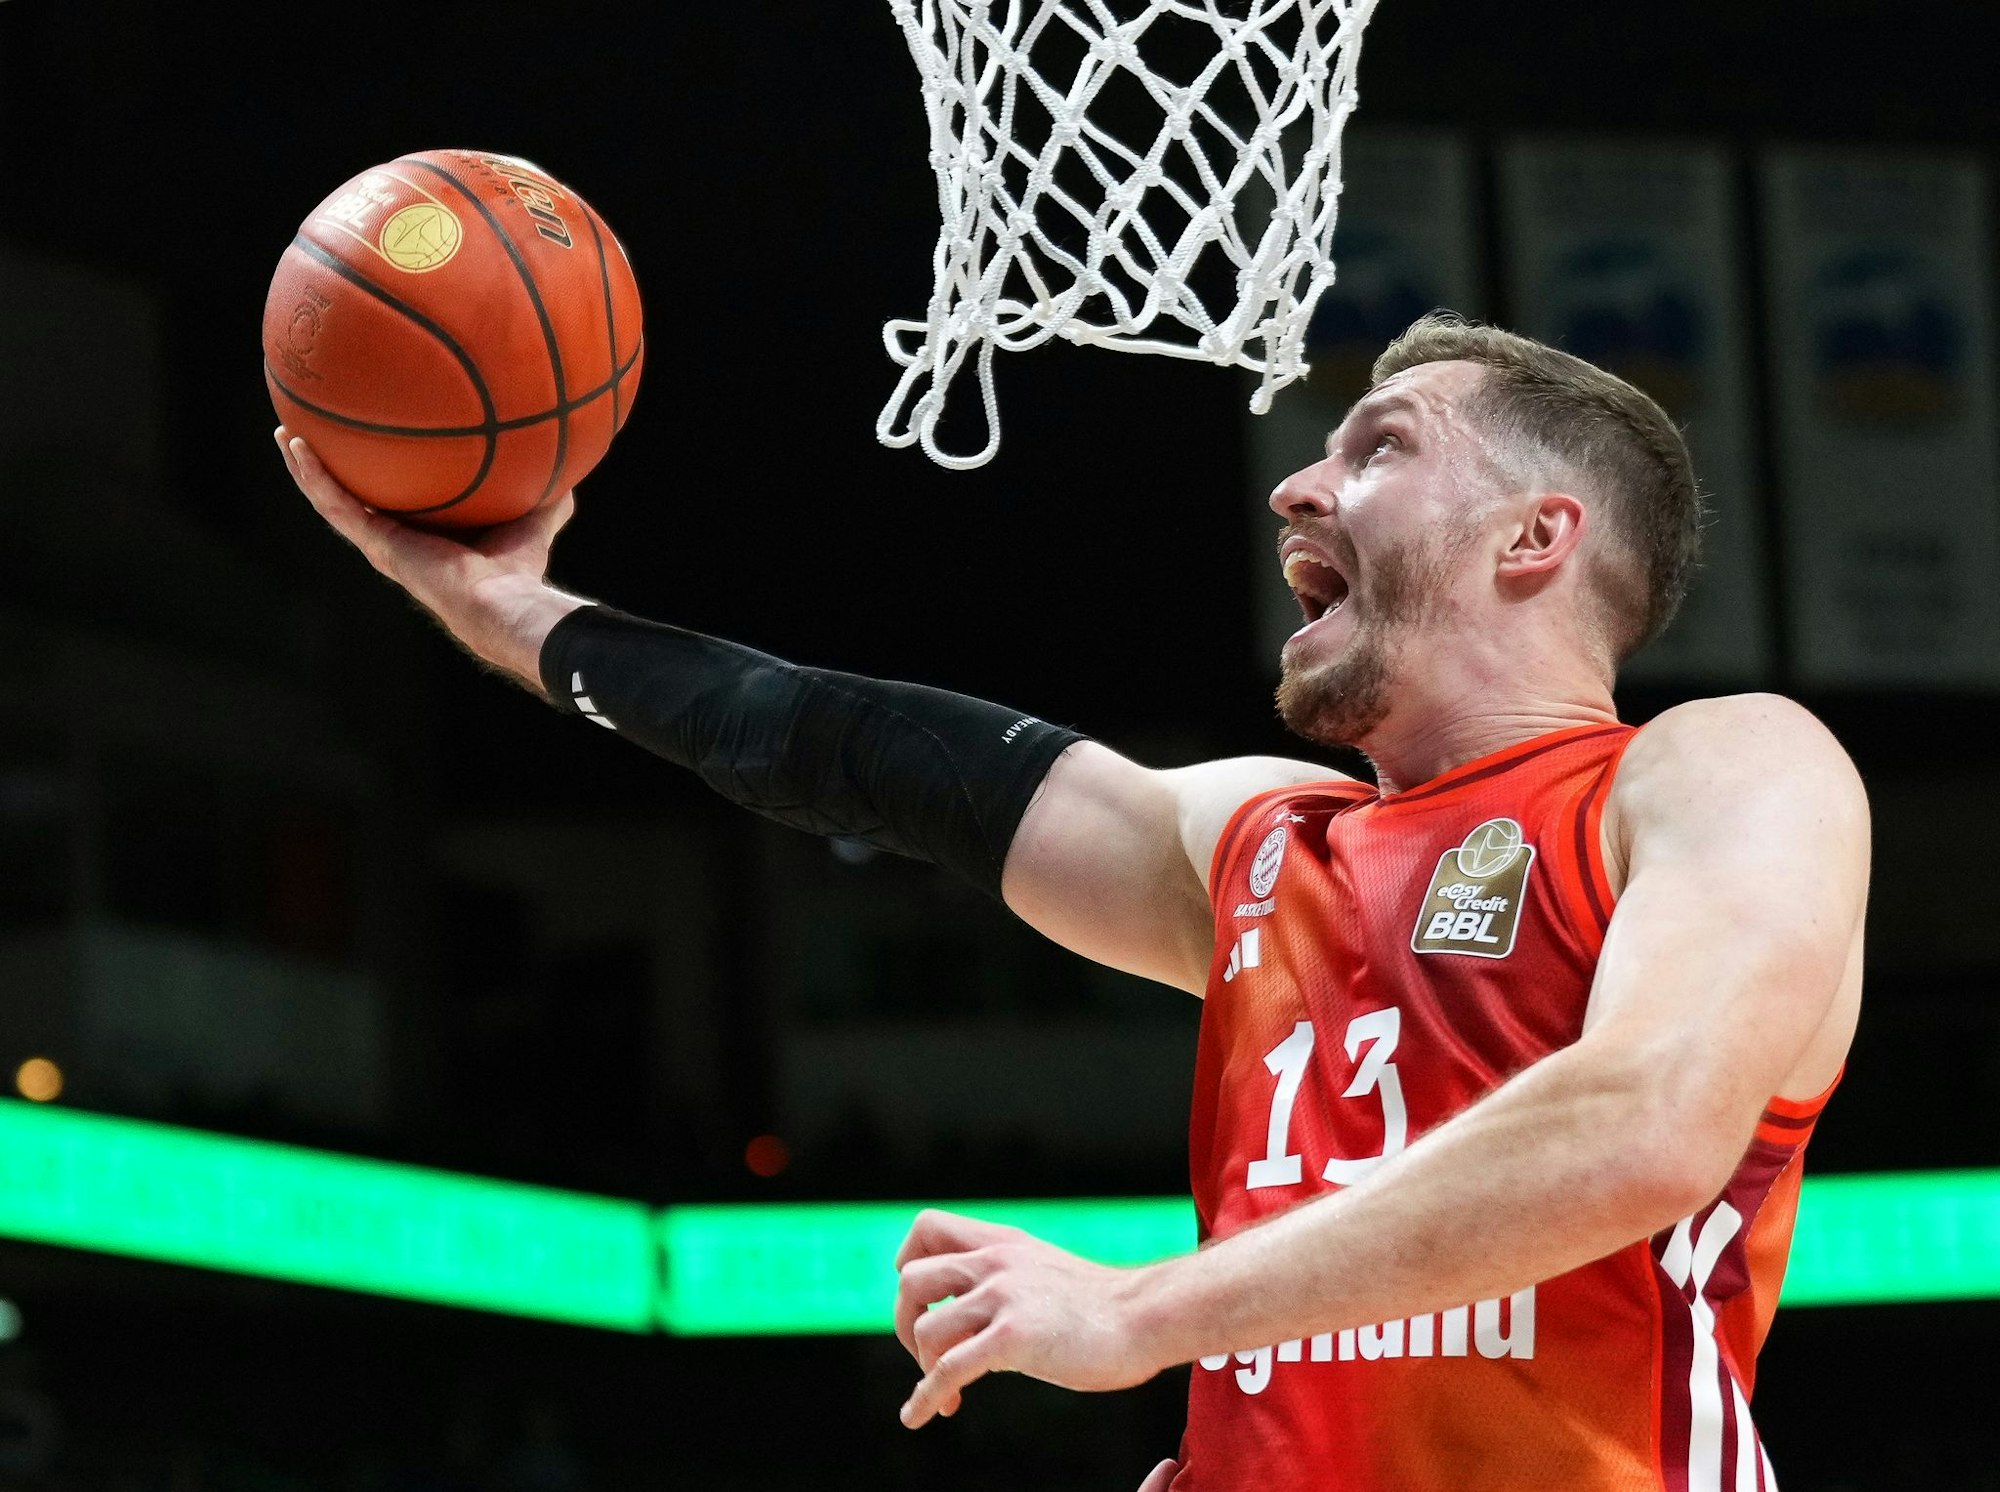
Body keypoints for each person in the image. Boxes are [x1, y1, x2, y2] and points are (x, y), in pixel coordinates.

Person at [278, 312, 1867, 1492]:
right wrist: (511, 608)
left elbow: (1642, 1128)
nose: (1297, 488)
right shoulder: (1258, 842)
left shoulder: (1719, 771)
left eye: (1379, 448)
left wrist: (1143, 1315)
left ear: (1541, 536)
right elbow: (856, 748)